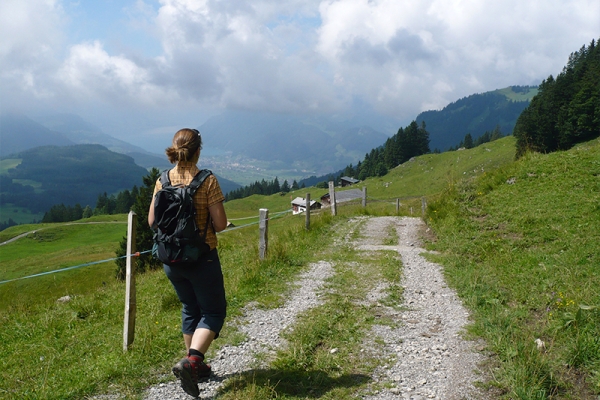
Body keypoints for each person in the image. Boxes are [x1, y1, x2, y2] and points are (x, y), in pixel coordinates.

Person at [148, 128, 228, 398]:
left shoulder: (162, 180)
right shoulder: (207, 180)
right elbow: (220, 224)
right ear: (198, 151)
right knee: (214, 312)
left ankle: (196, 367)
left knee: (190, 308)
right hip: (201, 257)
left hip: (170, 259)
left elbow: (152, 222)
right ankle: (193, 361)